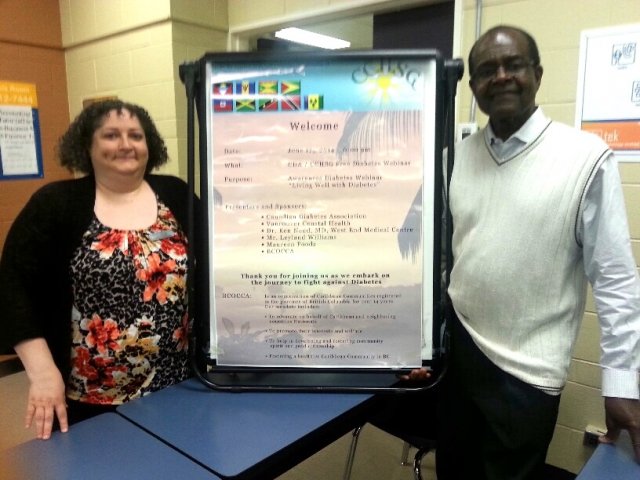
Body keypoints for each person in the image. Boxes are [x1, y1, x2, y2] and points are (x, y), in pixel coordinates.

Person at [403, 25, 640, 478]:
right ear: (473, 86)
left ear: (537, 74)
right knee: (452, 472)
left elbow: (615, 280)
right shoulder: (455, 158)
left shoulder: (586, 158)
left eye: (513, 65)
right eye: (486, 70)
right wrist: (421, 344)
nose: (501, 77)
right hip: (460, 359)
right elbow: (440, 262)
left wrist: (621, 384)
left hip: (527, 379)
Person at [0, 100, 200, 440]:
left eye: (135, 135)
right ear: (87, 146)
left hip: (177, 388)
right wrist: (42, 372)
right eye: (111, 135)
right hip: (91, 401)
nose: (126, 144)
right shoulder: (56, 204)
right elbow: (12, 286)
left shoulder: (175, 194)